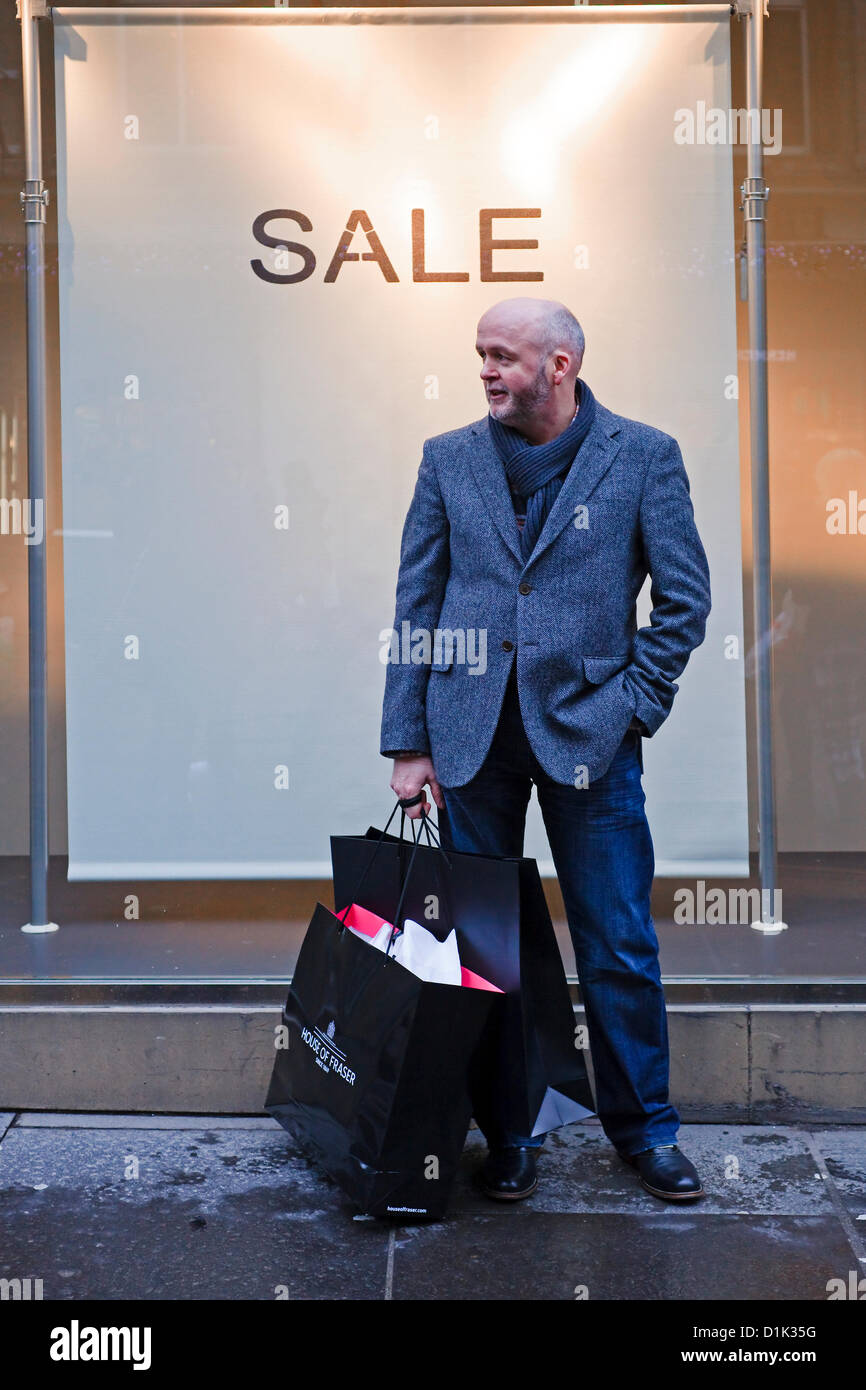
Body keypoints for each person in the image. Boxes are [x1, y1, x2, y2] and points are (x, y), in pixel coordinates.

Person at [380, 297, 710, 1203]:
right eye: (480, 354)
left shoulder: (643, 457)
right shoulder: (448, 459)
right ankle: (511, 1133)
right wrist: (407, 743)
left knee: (618, 943)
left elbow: (684, 603)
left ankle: (645, 1131)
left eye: (504, 356)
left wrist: (630, 708)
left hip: (589, 742)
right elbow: (418, 604)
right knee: (491, 953)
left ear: (559, 366)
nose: (486, 370)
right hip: (468, 741)